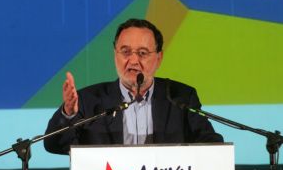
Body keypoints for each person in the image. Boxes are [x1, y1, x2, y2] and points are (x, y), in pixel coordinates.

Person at [44, 18, 222, 154]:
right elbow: (54, 145)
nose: (133, 60)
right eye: (125, 52)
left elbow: (211, 144)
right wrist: (68, 114)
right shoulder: (88, 100)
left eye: (142, 53)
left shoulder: (180, 97)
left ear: (158, 58)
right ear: (115, 55)